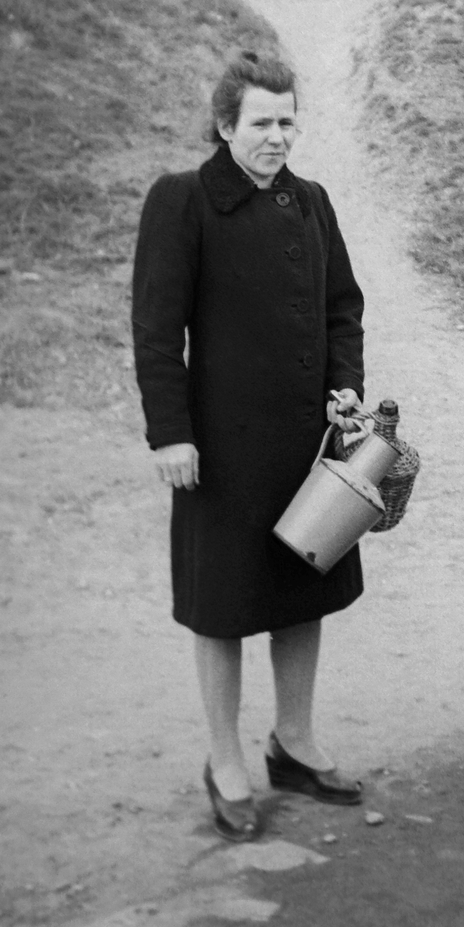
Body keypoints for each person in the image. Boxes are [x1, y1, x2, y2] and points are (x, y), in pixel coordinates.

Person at [132, 50, 367, 842]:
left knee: (305, 589)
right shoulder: (184, 201)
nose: (277, 137)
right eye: (262, 123)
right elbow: (157, 332)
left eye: (288, 121)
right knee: (223, 606)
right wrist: (171, 434)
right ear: (226, 124)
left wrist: (347, 389)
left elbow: (343, 310)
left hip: (307, 445)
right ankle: (225, 759)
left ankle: (294, 744)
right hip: (221, 453)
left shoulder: (313, 203)